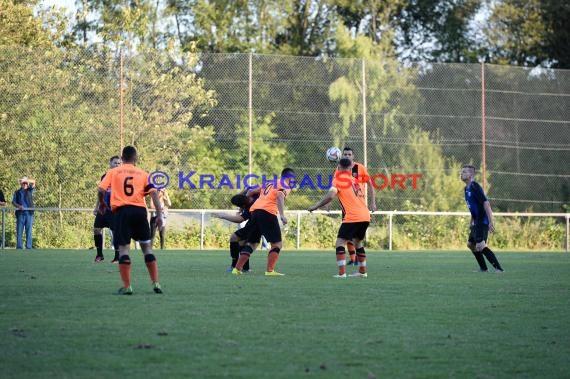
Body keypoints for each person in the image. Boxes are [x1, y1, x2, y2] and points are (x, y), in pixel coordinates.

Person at [98, 146, 164, 295]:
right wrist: (159, 215)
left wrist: (102, 203)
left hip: (122, 212)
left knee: (123, 250)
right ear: (136, 159)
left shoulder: (113, 172)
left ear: (122, 158)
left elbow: (101, 189)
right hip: (140, 212)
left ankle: (127, 286)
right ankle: (156, 283)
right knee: (147, 248)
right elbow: (153, 194)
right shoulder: (143, 174)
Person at [309, 158, 371, 278]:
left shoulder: (338, 179)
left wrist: (316, 206)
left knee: (340, 242)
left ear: (339, 167)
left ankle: (342, 273)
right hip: (365, 215)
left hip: (353, 216)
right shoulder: (355, 180)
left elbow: (330, 196)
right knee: (357, 242)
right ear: (350, 168)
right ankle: (362, 272)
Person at [231, 168, 296, 276]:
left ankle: (237, 269)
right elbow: (280, 196)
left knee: (252, 243)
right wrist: (282, 215)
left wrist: (246, 207)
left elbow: (251, 191)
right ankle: (270, 271)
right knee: (277, 244)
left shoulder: (269, 182)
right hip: (268, 213)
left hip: (255, 212)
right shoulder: (285, 185)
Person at [333, 147, 376, 266]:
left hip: (358, 206)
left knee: (349, 238)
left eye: (349, 154)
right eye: (345, 154)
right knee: (349, 237)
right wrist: (328, 203)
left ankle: (354, 261)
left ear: (353, 156)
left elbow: (370, 185)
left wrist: (373, 202)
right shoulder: (338, 169)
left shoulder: (360, 168)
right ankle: (353, 259)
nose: (347, 156)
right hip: (347, 207)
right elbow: (334, 188)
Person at [461, 165, 504, 273]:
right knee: (471, 245)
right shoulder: (466, 189)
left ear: (471, 175)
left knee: (480, 246)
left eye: (464, 172)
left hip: (482, 221)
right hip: (476, 222)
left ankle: (499, 269)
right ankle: (483, 268)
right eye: (461, 172)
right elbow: (473, 207)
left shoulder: (475, 187)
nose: (461, 174)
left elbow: (486, 204)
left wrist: (491, 222)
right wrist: (471, 222)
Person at [212, 189, 258, 272]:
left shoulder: (250, 207)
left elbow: (240, 219)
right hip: (254, 222)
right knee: (239, 241)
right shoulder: (253, 194)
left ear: (243, 206)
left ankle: (235, 266)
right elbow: (249, 188)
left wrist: (224, 216)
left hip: (257, 224)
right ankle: (244, 268)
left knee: (242, 242)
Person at [93, 156, 122, 263]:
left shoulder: (123, 177)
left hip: (115, 210)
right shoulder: (104, 177)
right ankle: (99, 255)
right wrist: (97, 206)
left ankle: (117, 256)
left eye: (119, 163)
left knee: (115, 232)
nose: (117, 165)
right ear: (110, 164)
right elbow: (101, 192)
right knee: (96, 229)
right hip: (103, 209)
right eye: (115, 163)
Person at [12, 177, 36, 249]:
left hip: (29, 213)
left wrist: (25, 180)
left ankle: (28, 247)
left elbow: (34, 182)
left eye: (26, 183)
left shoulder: (30, 190)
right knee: (19, 231)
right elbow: (13, 202)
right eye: (23, 183)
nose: (25, 184)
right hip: (20, 214)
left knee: (29, 231)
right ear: (21, 184)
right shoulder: (17, 192)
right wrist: (18, 206)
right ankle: (19, 247)